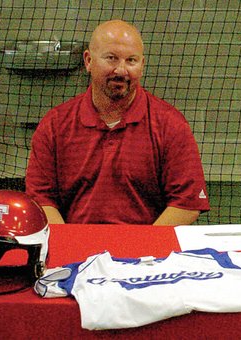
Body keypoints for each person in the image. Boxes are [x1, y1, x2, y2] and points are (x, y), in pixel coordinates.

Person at [25, 19, 210, 225]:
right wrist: (70, 246)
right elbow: (41, 199)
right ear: (88, 61)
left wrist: (139, 251)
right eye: (111, 58)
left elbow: (186, 205)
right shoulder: (55, 125)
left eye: (131, 60)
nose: (121, 70)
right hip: (76, 251)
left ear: (142, 64)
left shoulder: (171, 125)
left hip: (147, 253)